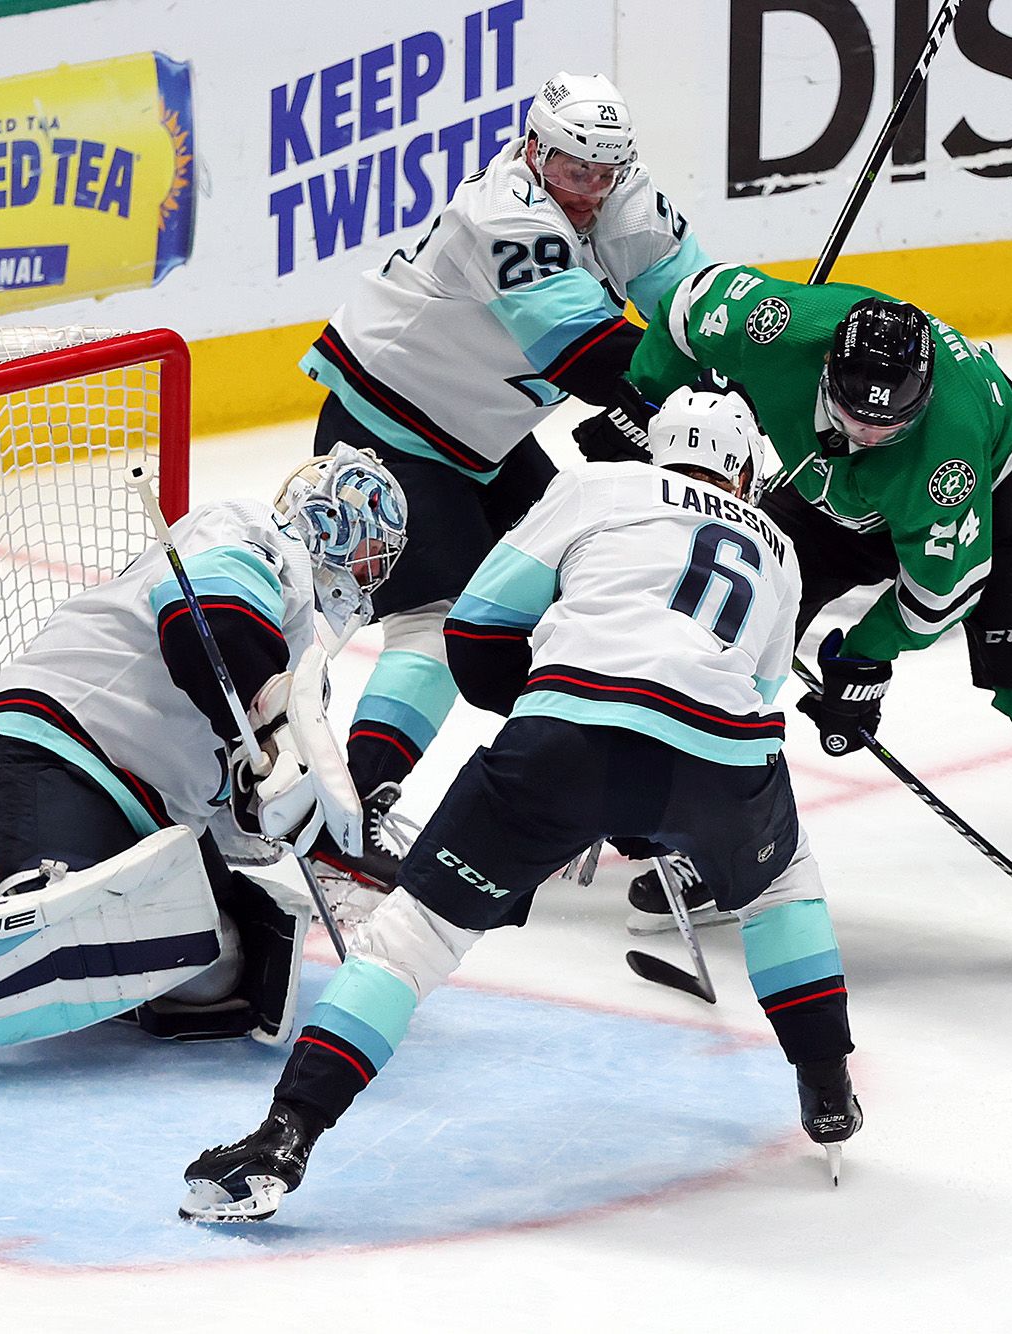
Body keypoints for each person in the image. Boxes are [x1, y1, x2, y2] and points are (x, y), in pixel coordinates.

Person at [179, 388, 860, 1222]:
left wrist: (546, 718)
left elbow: (474, 629)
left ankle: (287, 1135)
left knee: (412, 938)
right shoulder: (779, 547)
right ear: (747, 470)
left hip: (562, 745)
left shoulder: (600, 485)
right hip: (723, 762)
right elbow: (754, 688)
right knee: (781, 885)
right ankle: (828, 1087)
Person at [0, 448, 409, 1097]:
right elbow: (207, 625)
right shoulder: (247, 531)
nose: (373, 571)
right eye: (372, 546)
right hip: (59, 751)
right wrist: (268, 730)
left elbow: (233, 806)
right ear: (331, 521)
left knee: (221, 963)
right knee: (106, 931)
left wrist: (271, 811)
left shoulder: (298, 659)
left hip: (145, 815)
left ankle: (43, 950)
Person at [625, 273, 1012, 957]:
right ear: (826, 371)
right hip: (826, 501)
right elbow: (683, 306)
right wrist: (642, 402)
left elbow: (943, 588)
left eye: (889, 425)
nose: (867, 434)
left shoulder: (947, 448)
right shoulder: (777, 324)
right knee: (720, 641)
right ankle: (704, 837)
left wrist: (867, 653)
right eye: (853, 417)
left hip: (995, 504)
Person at [297, 69, 710, 887]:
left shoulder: (626, 198)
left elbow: (692, 308)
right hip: (388, 428)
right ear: (534, 148)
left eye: (602, 173)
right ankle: (349, 813)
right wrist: (659, 408)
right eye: (570, 171)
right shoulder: (503, 214)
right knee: (438, 623)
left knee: (579, 590)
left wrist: (740, 360)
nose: (587, 191)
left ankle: (600, 796)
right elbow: (590, 355)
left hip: (480, 441)